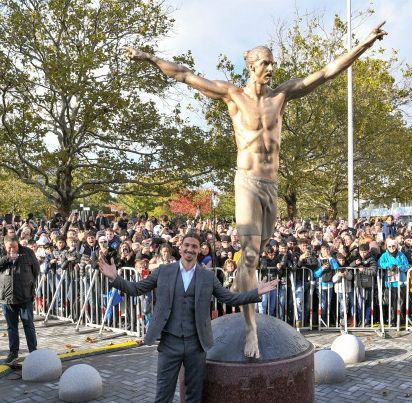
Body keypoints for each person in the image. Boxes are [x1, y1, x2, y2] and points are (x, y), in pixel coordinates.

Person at [123, 21, 387, 359]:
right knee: (248, 256)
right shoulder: (232, 95)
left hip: (271, 184)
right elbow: (185, 75)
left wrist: (364, 43)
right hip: (246, 181)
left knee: (257, 256)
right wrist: (147, 57)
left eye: (273, 62)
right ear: (250, 65)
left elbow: (325, 73)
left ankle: (239, 289)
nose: (271, 68)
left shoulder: (281, 96)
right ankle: (250, 331)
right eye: (265, 62)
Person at [97, 232, 277, 403]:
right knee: (162, 395)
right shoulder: (163, 271)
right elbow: (136, 289)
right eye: (187, 245)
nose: (190, 249)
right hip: (169, 343)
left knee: (193, 395)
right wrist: (115, 277)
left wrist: (256, 292)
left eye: (194, 246)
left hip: (196, 345)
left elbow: (229, 298)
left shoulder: (208, 277)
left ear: (199, 250)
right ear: (180, 247)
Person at [0, 235, 40, 363]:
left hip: (25, 295)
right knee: (12, 327)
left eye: (15, 247)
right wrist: (6, 259)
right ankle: (13, 352)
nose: (13, 250)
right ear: (4, 245)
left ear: (18, 244)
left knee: (29, 324)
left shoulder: (27, 252)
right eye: (10, 248)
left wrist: (28, 284)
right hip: (6, 296)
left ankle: (33, 351)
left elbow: (35, 271)